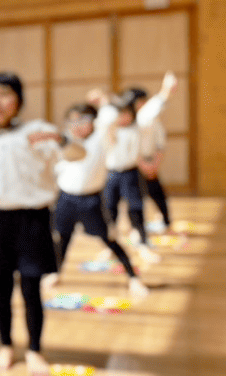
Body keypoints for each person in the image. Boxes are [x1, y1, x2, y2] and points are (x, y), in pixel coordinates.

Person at [0, 72, 84, 375]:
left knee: (30, 286)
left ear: (19, 101)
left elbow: (79, 154)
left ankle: (35, 348)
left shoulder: (39, 130)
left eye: (4, 94)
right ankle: (6, 345)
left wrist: (62, 139)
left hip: (32, 219)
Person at [47, 96, 149, 300]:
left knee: (109, 239)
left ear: (93, 122)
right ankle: (55, 273)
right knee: (62, 238)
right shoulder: (67, 140)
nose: (76, 126)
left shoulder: (101, 137)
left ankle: (133, 278)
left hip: (91, 200)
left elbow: (110, 116)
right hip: (66, 198)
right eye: (72, 122)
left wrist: (103, 100)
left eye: (82, 121)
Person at [103, 80, 171, 265]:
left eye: (126, 113)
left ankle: (143, 243)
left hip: (131, 173)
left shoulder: (139, 125)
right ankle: (110, 246)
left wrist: (165, 90)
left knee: (136, 208)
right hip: (111, 174)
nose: (122, 117)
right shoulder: (109, 127)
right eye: (119, 114)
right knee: (110, 210)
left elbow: (152, 110)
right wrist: (102, 100)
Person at [122, 72, 178, 236]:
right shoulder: (135, 119)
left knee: (156, 193)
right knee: (134, 199)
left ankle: (165, 223)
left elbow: (160, 144)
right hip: (135, 163)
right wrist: (165, 90)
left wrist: (154, 163)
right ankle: (137, 229)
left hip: (149, 161)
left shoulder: (149, 118)